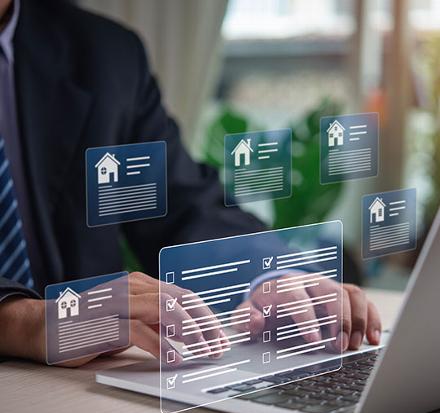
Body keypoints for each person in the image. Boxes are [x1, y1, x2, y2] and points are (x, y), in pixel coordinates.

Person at [0, 0, 381, 367]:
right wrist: (21, 322)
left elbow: (182, 205)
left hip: (88, 387)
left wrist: (271, 277)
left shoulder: (103, 53)